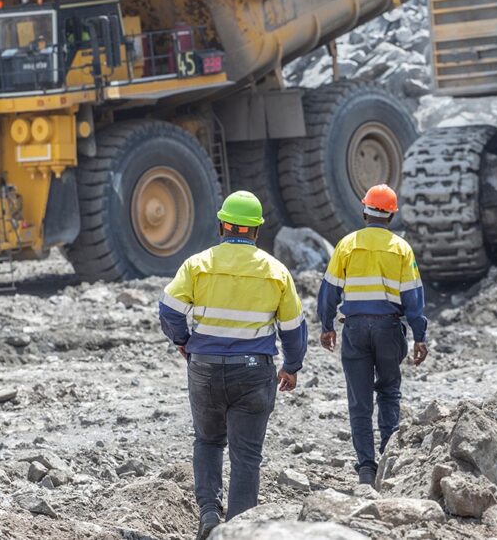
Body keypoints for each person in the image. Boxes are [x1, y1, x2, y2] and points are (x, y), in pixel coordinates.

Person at [159, 190, 308, 540]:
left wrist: (183, 341)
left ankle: (210, 514)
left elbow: (169, 311)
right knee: (246, 457)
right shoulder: (275, 271)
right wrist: (292, 365)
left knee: (209, 442)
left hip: (206, 368)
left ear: (223, 224)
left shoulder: (198, 264)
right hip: (255, 371)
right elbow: (293, 326)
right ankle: (240, 529)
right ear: (256, 231)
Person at [317, 183, 429, 486]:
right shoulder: (401, 248)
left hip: (354, 329)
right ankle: (389, 459)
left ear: (364, 211)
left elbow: (329, 291)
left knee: (359, 401)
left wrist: (326, 325)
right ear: (391, 216)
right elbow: (413, 300)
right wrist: (420, 336)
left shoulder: (347, 245)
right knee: (389, 392)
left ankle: (366, 468)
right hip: (389, 328)